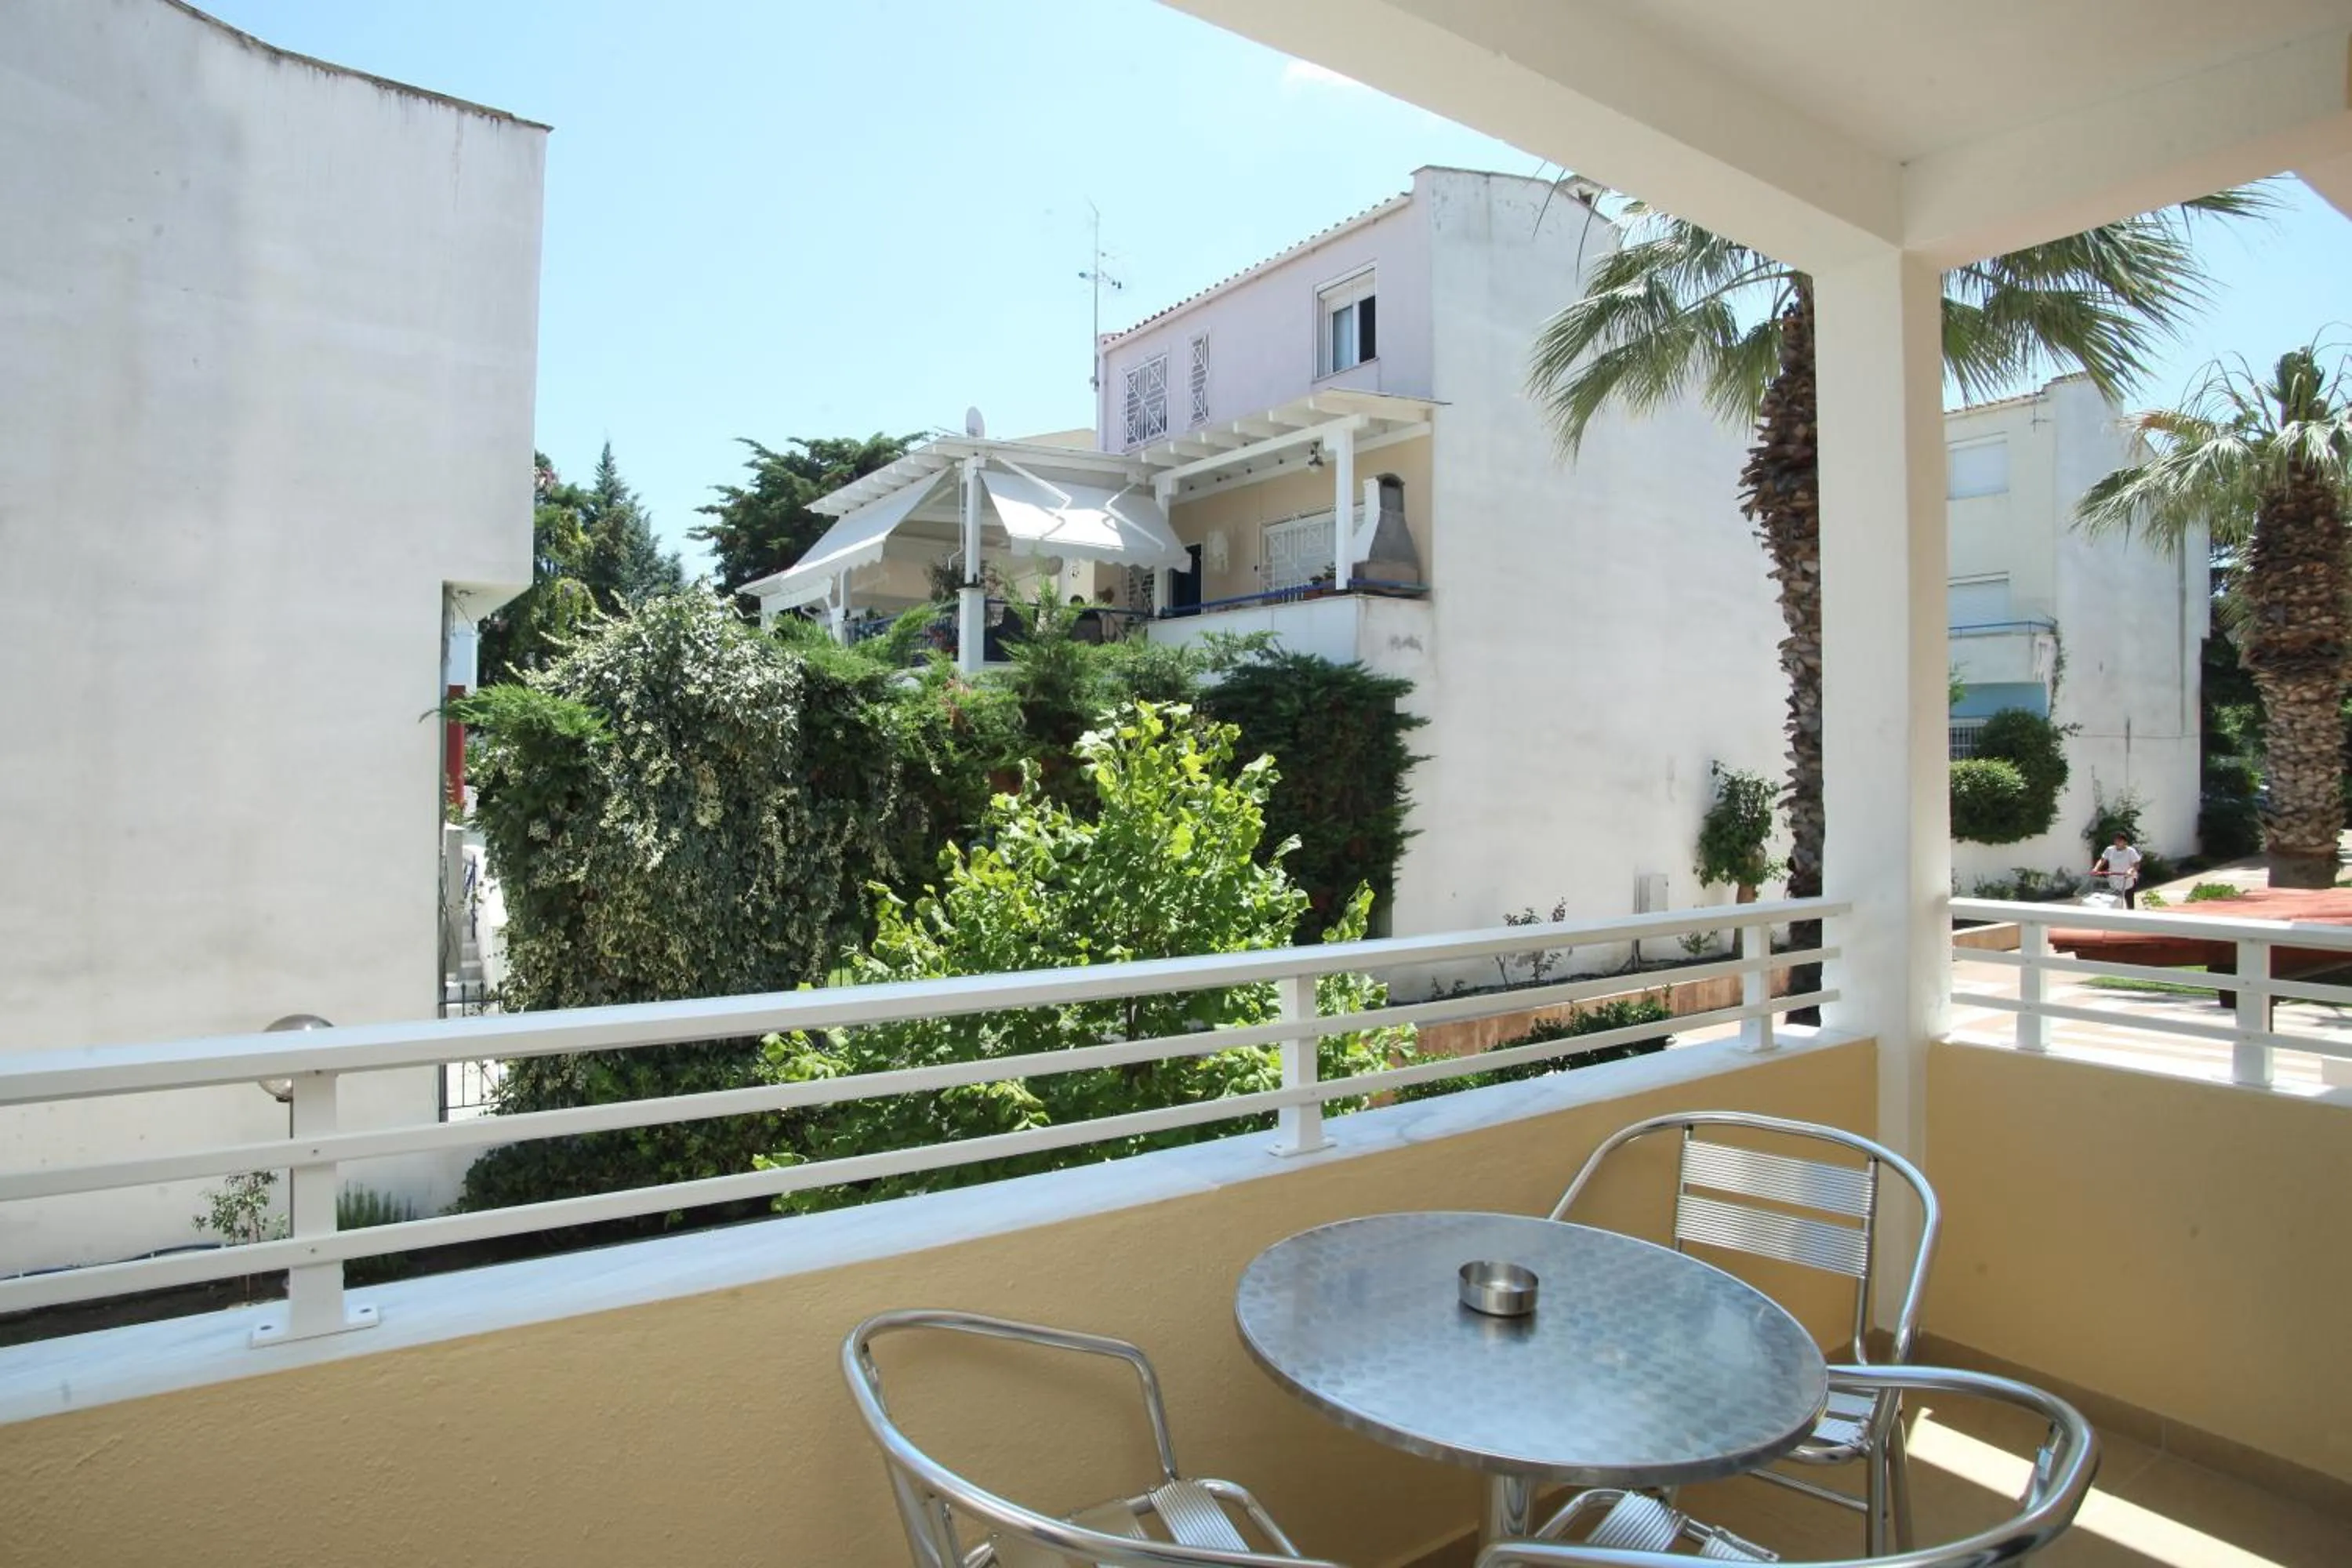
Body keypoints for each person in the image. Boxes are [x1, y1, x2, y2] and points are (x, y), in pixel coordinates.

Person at [2090, 832, 2143, 909]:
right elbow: (2102, 860)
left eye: (2119, 841)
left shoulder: (2130, 851)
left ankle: (2131, 916)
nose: (2117, 843)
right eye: (2116, 841)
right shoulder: (2110, 849)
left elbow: (2136, 864)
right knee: (2114, 903)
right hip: (2114, 881)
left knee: (2129, 904)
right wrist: (2096, 869)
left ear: (2125, 842)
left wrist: (2130, 871)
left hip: (2127, 881)